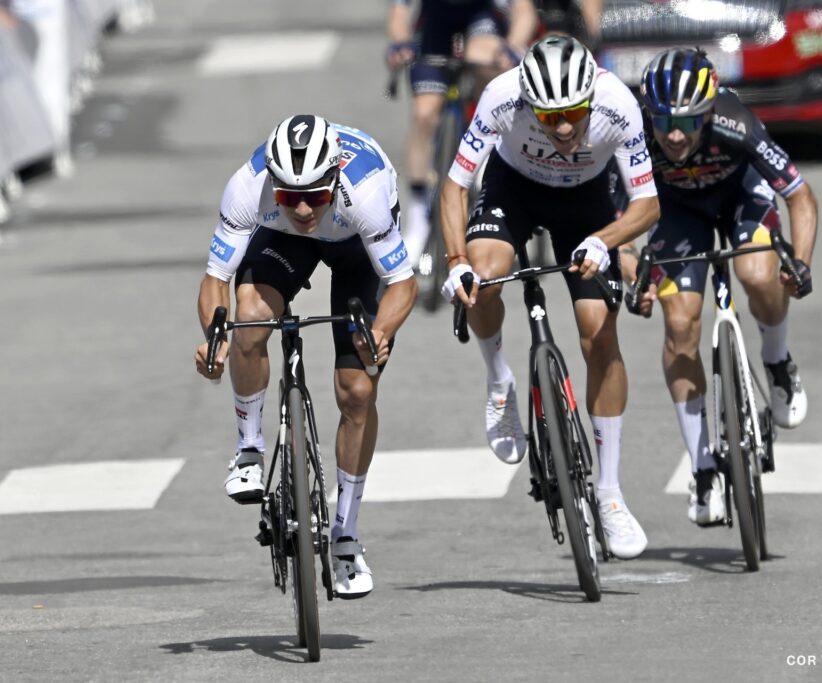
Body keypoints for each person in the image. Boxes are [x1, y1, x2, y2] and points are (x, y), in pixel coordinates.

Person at [439, 35, 661, 559]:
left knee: (597, 334)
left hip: (586, 203)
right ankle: (500, 380)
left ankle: (609, 494)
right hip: (513, 188)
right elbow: (455, 187)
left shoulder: (617, 106)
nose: (562, 128)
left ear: (590, 98)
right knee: (486, 277)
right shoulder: (501, 96)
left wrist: (605, 241)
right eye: (548, 117)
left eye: (572, 114)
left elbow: (647, 203)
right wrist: (456, 263)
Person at [194, 115, 417, 598]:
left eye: (314, 195)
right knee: (249, 319)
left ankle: (346, 535)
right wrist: (216, 336)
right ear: (272, 181)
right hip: (285, 247)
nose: (300, 207)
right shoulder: (248, 185)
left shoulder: (367, 192)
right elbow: (216, 277)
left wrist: (381, 331)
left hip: (358, 249)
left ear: (334, 178)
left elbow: (403, 283)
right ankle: (249, 448)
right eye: (288, 195)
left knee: (357, 391)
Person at [619, 48, 816, 527]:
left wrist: (803, 263)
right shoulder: (634, 137)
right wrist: (633, 280)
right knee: (680, 323)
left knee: (756, 274)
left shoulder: (738, 125)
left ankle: (777, 359)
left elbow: (801, 197)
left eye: (689, 122)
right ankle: (703, 467)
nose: (675, 135)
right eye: (664, 121)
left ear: (709, 112)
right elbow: (614, 227)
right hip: (677, 212)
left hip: (740, 200)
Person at [386, 0, 538, 270]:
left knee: (487, 58)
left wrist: (513, 46)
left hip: (482, 19)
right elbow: (399, 11)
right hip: (436, 24)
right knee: (424, 112)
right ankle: (419, 212)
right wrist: (401, 43)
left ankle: (485, 146)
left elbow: (524, 10)